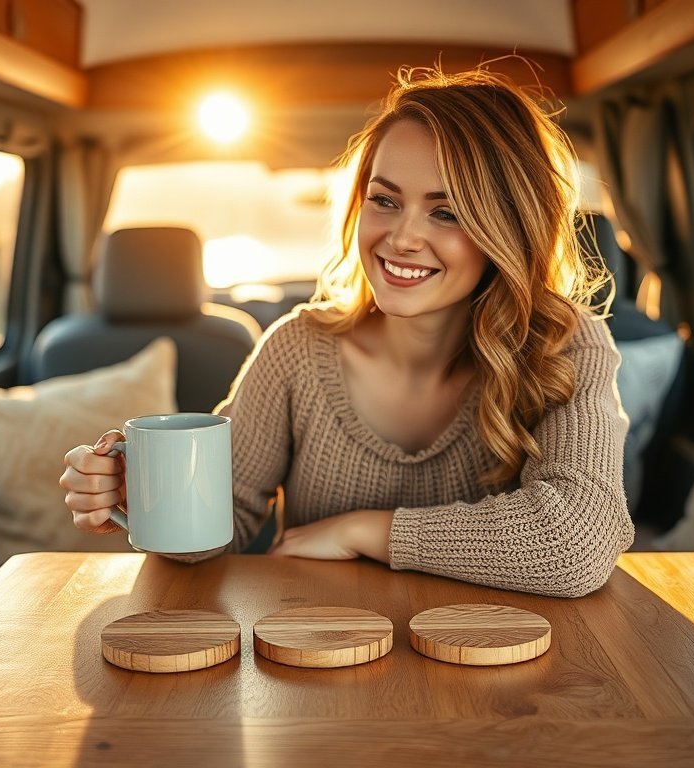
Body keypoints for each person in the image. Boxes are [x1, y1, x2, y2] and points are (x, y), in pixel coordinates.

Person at [61, 66, 635, 598]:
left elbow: (575, 543)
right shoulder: (295, 349)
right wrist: (145, 499)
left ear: (510, 226)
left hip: (498, 679)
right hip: (316, 662)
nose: (402, 237)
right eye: (384, 200)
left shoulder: (566, 345)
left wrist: (366, 532)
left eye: (447, 211)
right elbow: (220, 526)